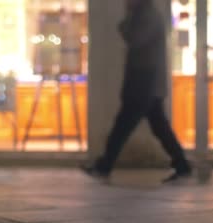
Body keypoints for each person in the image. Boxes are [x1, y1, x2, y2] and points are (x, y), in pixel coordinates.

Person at [81, 0, 192, 183]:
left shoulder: (146, 15)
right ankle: (182, 165)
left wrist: (126, 21)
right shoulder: (148, 14)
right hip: (146, 81)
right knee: (157, 127)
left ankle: (104, 166)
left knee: (123, 126)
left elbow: (135, 39)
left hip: (143, 81)